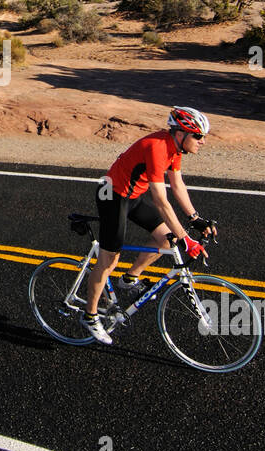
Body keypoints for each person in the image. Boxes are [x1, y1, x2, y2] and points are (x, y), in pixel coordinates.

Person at [82, 106, 218, 344]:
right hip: (111, 195)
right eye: (198, 136)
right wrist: (187, 239)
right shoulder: (157, 147)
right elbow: (161, 201)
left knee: (167, 240)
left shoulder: (175, 148)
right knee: (109, 259)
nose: (202, 142)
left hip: (132, 196)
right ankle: (90, 316)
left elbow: (177, 185)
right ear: (181, 133)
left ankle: (130, 278)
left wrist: (195, 218)